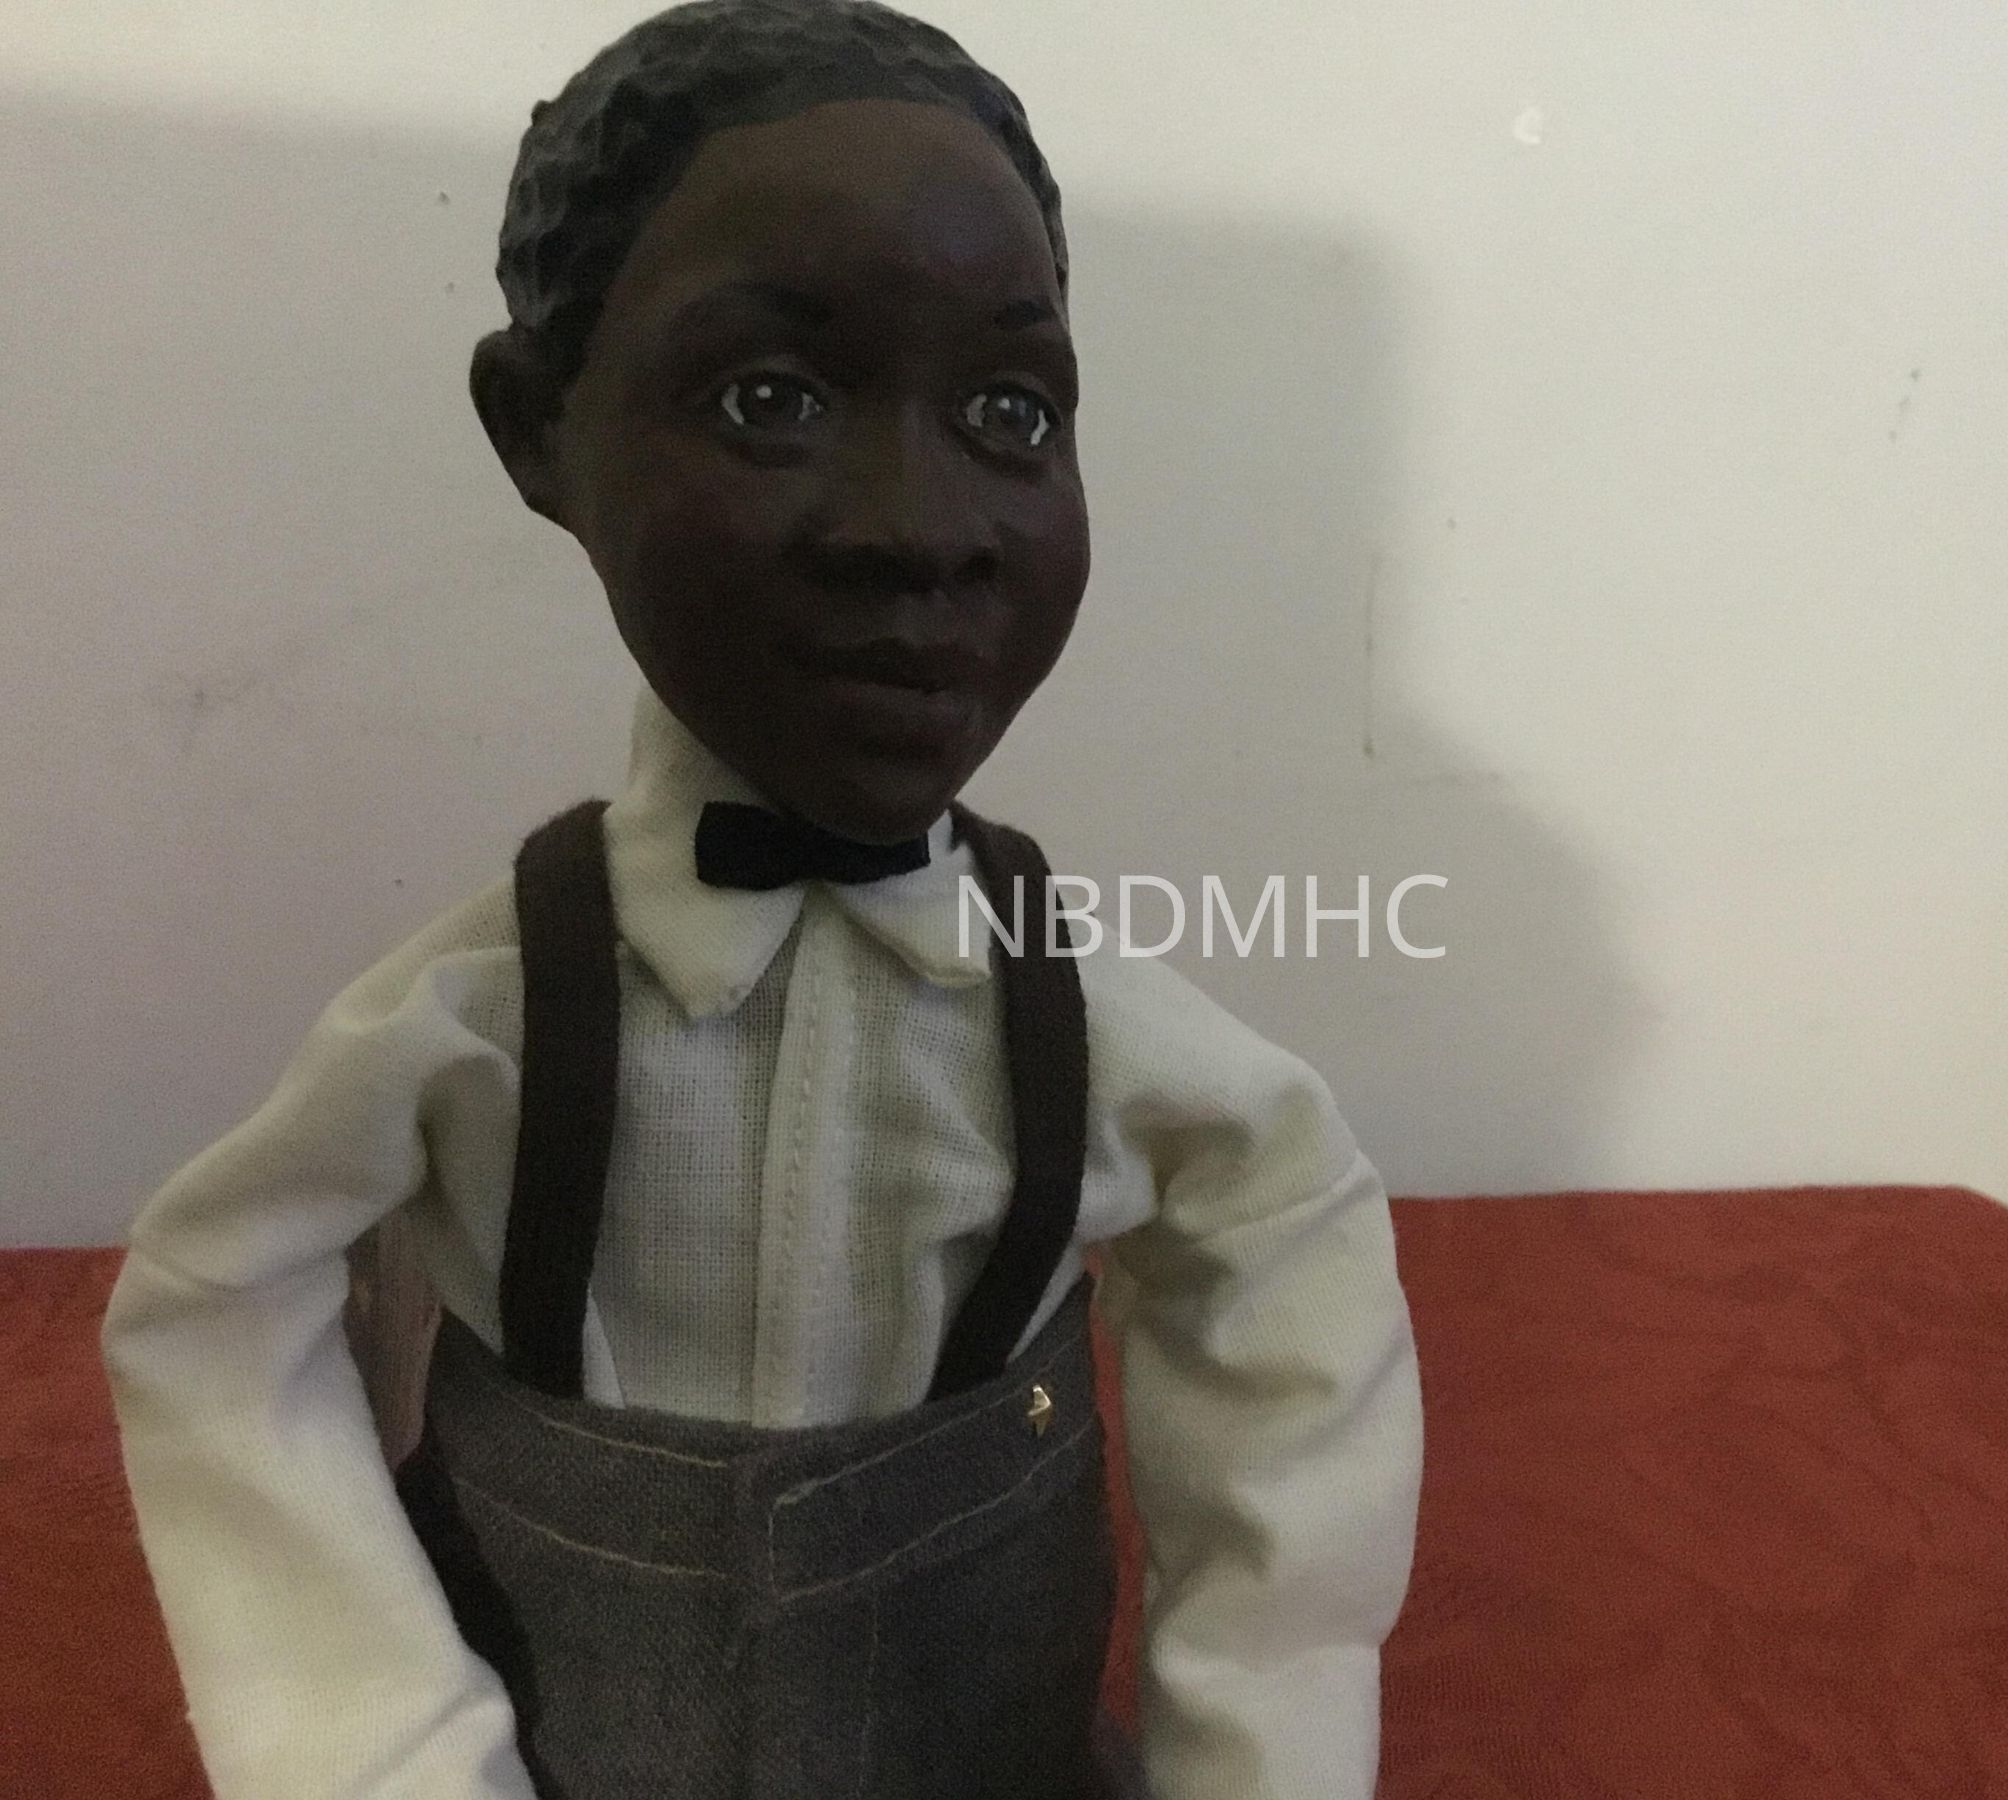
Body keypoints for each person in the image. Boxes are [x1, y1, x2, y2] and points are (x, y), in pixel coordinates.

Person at [100, 3, 1423, 1795]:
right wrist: (384, 1749)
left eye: (1009, 410)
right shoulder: (486, 1013)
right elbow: (216, 1301)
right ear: (539, 430)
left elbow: (1288, 1262)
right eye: (770, 400)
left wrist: (1260, 1753)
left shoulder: (1078, 1014)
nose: (917, 526)